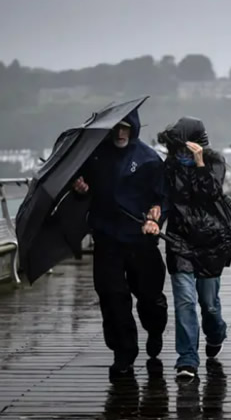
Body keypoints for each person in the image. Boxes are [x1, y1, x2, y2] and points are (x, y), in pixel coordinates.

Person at [73, 108, 168, 380]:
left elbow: (161, 197)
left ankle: (155, 329)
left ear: (133, 128)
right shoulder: (94, 157)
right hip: (107, 238)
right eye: (115, 128)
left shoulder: (149, 159)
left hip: (140, 238)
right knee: (112, 297)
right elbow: (83, 193)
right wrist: (80, 191)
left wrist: (155, 218)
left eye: (125, 127)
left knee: (150, 297)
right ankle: (123, 353)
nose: (120, 133)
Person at [156, 117, 231, 380]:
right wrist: (154, 219)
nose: (181, 153)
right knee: (185, 301)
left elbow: (211, 194)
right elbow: (164, 199)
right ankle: (187, 359)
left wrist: (200, 163)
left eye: (185, 147)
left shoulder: (214, 161)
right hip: (179, 241)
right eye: (177, 147)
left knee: (209, 305)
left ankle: (216, 334)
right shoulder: (170, 167)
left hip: (212, 242)